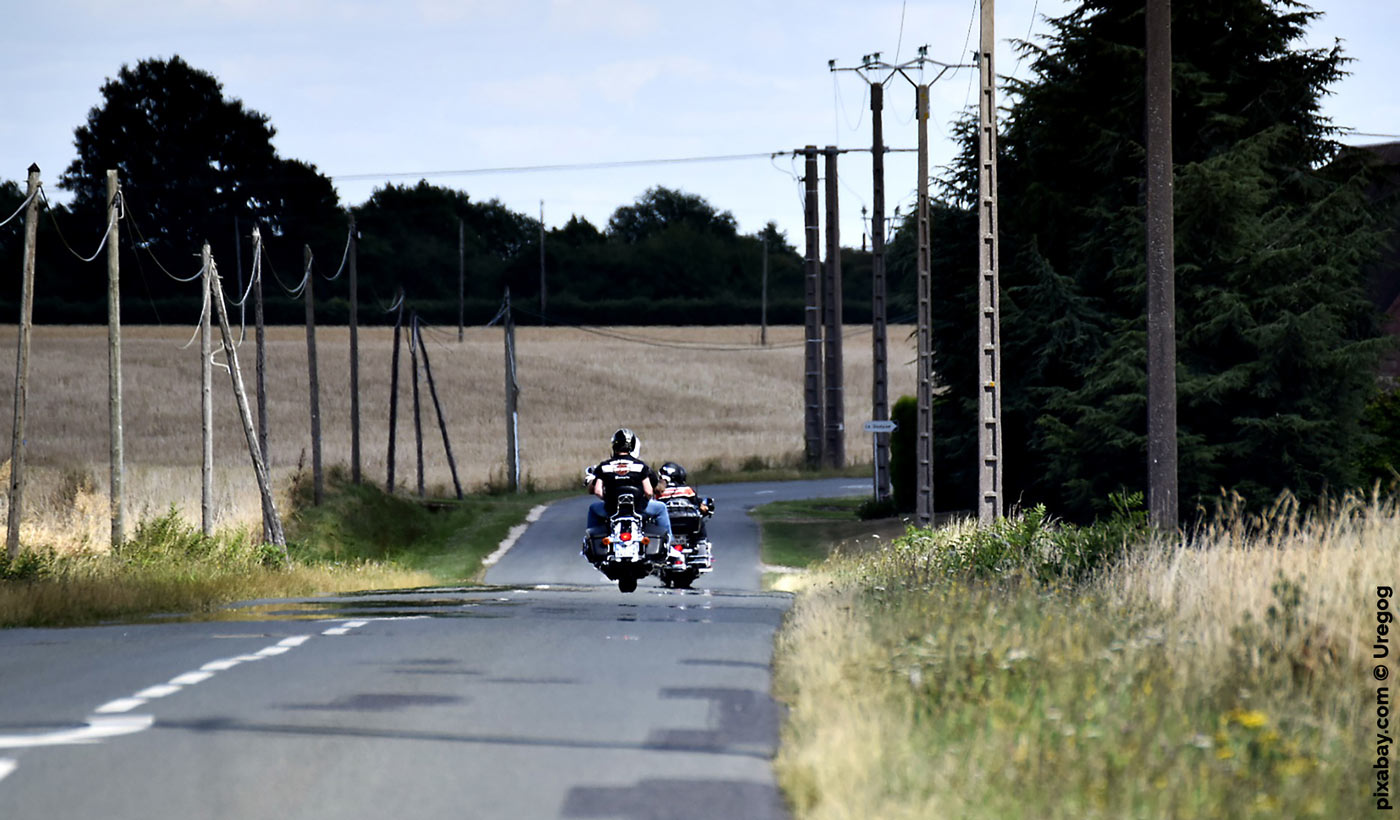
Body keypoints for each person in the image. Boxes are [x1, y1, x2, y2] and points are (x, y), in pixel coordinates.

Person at [585, 428, 678, 565]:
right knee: (661, 508)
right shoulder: (640, 466)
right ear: (632, 446)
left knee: (593, 509)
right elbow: (649, 491)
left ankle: (591, 547)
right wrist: (645, 499)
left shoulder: (604, 466)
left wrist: (608, 499)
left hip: (612, 509)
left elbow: (597, 491)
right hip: (638, 509)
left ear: (614, 445)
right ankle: (669, 545)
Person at [655, 461, 713, 542]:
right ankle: (702, 543)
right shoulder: (686, 490)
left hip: (667, 523)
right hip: (688, 522)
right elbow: (697, 503)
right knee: (700, 524)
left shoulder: (659, 493)